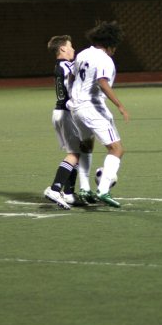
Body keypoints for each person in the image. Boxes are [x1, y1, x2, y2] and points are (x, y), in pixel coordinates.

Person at [67, 20, 129, 208]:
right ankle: (103, 189)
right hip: (92, 108)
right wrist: (120, 105)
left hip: (76, 108)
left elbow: (71, 76)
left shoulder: (83, 53)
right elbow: (102, 82)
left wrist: (73, 95)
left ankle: (85, 188)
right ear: (110, 44)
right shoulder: (104, 59)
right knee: (116, 149)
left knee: (87, 146)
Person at [43, 35, 95, 210]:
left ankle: (70, 193)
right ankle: (55, 188)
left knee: (77, 152)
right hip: (66, 113)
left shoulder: (61, 66)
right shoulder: (66, 66)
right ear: (63, 49)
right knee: (74, 154)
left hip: (60, 112)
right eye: (71, 46)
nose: (73, 50)